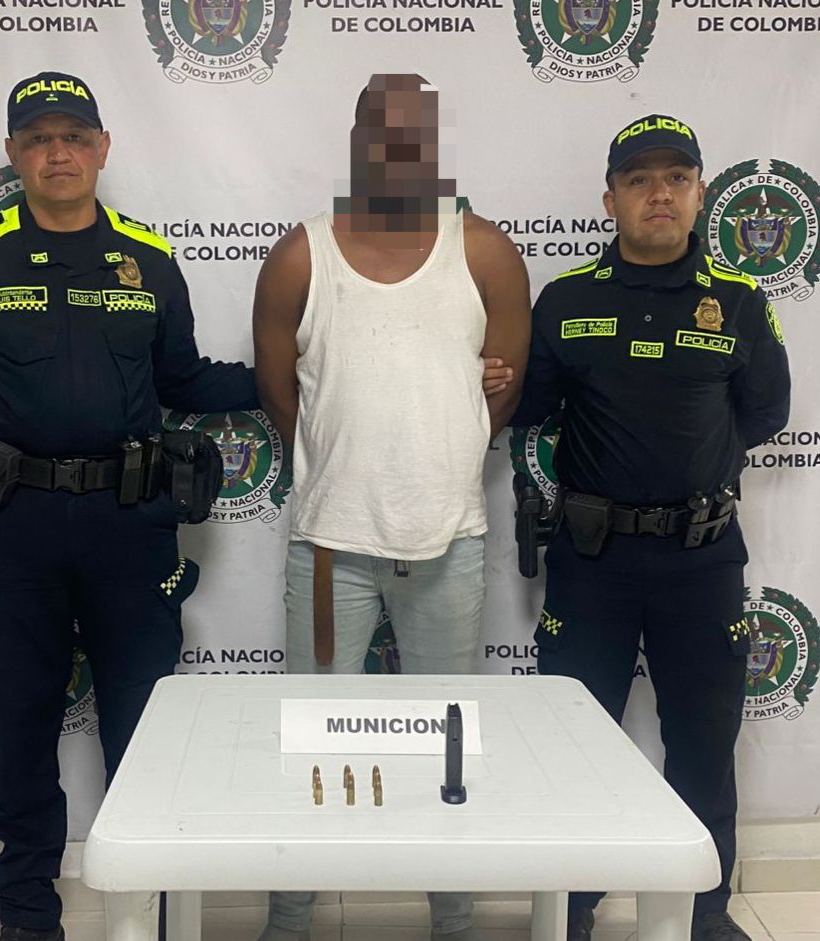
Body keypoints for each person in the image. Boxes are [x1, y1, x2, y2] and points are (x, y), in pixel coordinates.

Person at [0, 71, 259, 941]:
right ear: (13, 154)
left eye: (73, 136)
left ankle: (150, 911)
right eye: (38, 138)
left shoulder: (149, 257)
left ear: (103, 149)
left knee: (144, 726)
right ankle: (29, 915)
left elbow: (181, 377)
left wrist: (291, 374)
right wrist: (15, 449)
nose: (57, 152)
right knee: (23, 727)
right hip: (15, 524)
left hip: (129, 524)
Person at [252, 73, 531, 941]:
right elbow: (283, 397)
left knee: (447, 750)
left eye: (416, 133)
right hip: (330, 552)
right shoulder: (300, 256)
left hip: (449, 543)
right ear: (356, 142)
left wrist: (429, 458)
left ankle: (454, 920)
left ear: (434, 145)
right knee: (311, 742)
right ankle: (289, 920)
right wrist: (350, 465)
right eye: (382, 130)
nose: (398, 147)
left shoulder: (483, 251)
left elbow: (501, 393)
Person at [513, 115, 790, 941]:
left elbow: (765, 413)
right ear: (611, 201)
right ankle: (570, 911)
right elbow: (531, 407)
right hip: (591, 560)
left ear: (701, 193)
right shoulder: (566, 300)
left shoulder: (738, 301)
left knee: (703, 743)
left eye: (676, 177)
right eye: (639, 180)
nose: (658, 193)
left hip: (702, 561)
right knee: (575, 743)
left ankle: (704, 914)